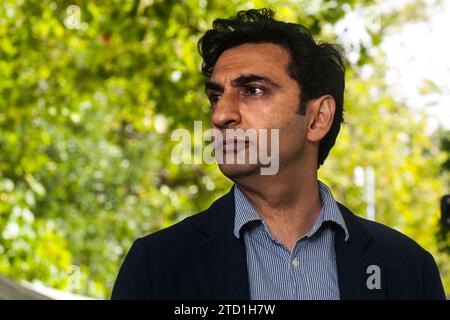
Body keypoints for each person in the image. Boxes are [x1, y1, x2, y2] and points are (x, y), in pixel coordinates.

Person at [111, 8, 445, 300]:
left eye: (252, 91)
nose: (220, 114)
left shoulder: (406, 269)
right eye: (216, 96)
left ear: (317, 118)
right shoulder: (157, 267)